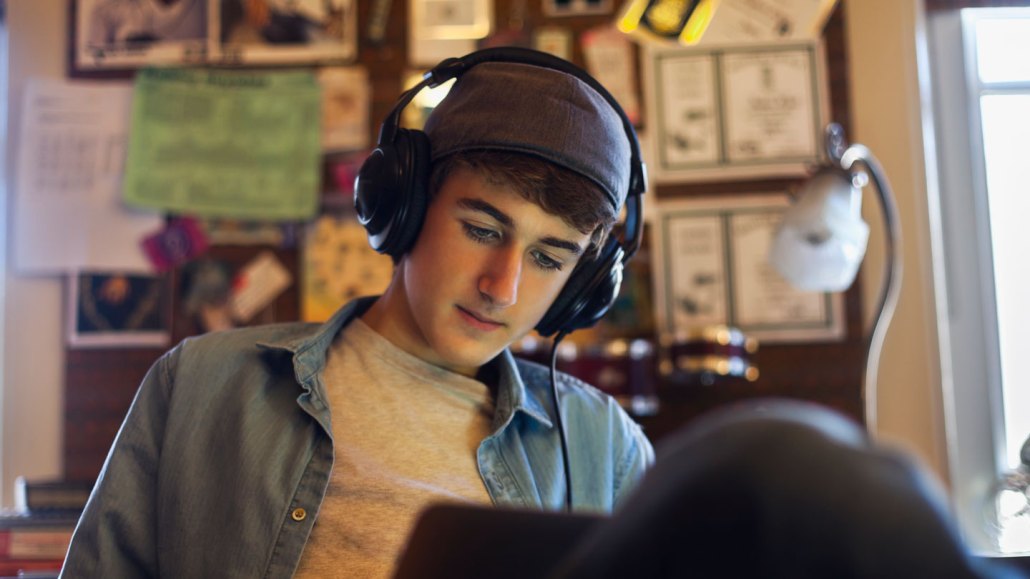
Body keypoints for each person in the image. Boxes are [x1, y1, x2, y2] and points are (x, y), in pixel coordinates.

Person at [60, 48, 655, 578]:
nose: (502, 287)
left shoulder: (608, 450)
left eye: (550, 259)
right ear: (404, 203)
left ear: (586, 285)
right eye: (480, 228)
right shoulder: (200, 382)